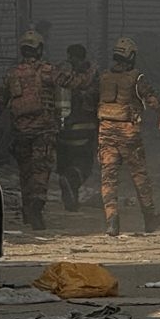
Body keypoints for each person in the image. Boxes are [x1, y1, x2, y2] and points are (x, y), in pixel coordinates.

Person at [0, 30, 73, 231]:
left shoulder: (12, 74)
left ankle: (27, 209)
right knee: (41, 169)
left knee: (25, 171)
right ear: (39, 49)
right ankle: (36, 208)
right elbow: (71, 82)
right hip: (44, 130)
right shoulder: (48, 70)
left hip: (20, 130)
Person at [97, 36, 160, 236]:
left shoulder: (103, 77)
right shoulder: (136, 78)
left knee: (108, 179)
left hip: (105, 132)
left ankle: (112, 222)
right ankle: (149, 218)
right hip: (129, 134)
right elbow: (152, 99)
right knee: (139, 177)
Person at [57, 44, 100, 212]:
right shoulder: (90, 75)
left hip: (62, 129)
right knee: (83, 166)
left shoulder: (61, 74)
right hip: (84, 129)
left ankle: (71, 201)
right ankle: (72, 182)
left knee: (66, 165)